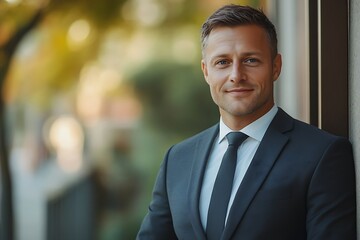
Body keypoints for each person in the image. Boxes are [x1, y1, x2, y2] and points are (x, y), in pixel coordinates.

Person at [136, 4, 356, 240]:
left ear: (276, 66)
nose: (236, 75)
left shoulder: (322, 155)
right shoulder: (177, 159)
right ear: (206, 71)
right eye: (222, 62)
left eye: (250, 60)